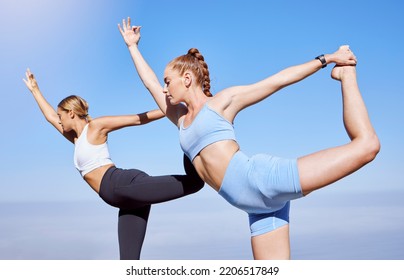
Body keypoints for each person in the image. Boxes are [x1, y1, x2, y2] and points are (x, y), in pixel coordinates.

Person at [118, 17, 380, 259]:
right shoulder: (180, 118)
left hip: (264, 181)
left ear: (186, 79)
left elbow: (278, 81)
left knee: (367, 146)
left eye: (168, 81)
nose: (164, 88)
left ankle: (347, 74)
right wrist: (132, 47)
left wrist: (328, 59)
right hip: (259, 209)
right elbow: (150, 83)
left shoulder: (222, 103)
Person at [23, 69, 204, 260]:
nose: (59, 119)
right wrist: (35, 90)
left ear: (71, 114)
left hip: (124, 185)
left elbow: (137, 119)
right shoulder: (76, 139)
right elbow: (50, 117)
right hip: (124, 200)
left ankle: (191, 136)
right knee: (128, 261)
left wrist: (177, 111)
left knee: (195, 183)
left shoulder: (96, 127)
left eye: (62, 115)